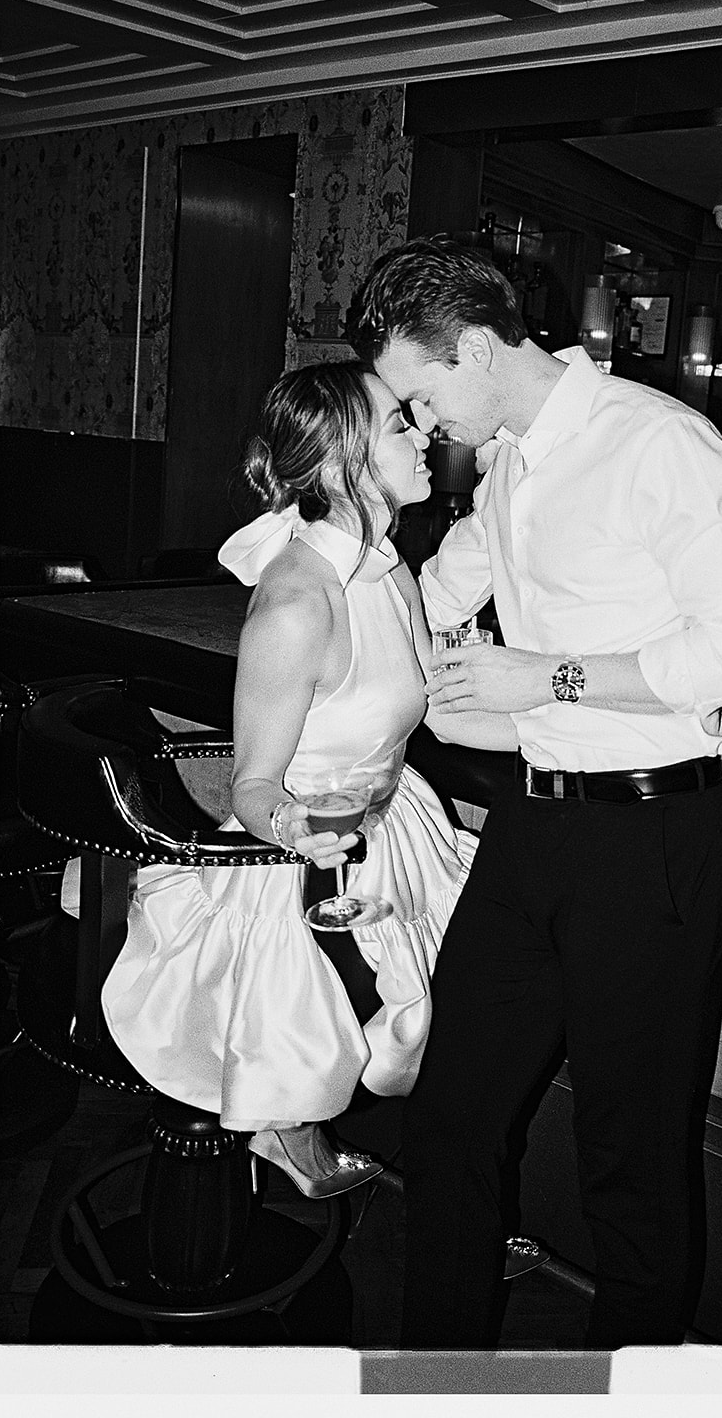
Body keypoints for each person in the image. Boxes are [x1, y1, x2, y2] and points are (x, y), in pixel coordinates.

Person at [348, 238, 722, 1347]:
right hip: (536, 827)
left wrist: (535, 676)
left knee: (627, 1158)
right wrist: (326, 556)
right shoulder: (506, 463)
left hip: (655, 842)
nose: (416, 424)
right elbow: (433, 596)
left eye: (417, 394)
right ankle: (437, 1370)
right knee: (449, 1118)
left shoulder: (657, 443)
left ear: (480, 348)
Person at [82, 361, 520, 1199]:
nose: (424, 432)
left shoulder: (388, 571)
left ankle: (452, 1200)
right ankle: (293, 1127)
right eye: (399, 424)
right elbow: (253, 785)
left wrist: (580, 732)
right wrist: (299, 829)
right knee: (362, 1013)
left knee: (486, 982)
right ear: (336, 467)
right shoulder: (295, 604)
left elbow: (438, 706)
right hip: (290, 858)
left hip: (394, 825)